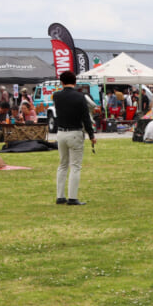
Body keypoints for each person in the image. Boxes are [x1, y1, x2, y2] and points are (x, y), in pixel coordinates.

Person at [54, 70, 96, 205]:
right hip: (75, 132)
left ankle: (60, 196)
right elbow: (86, 118)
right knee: (75, 166)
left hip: (60, 133)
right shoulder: (80, 97)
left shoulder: (56, 96)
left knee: (62, 165)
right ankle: (72, 197)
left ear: (61, 82)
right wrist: (91, 135)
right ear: (75, 82)